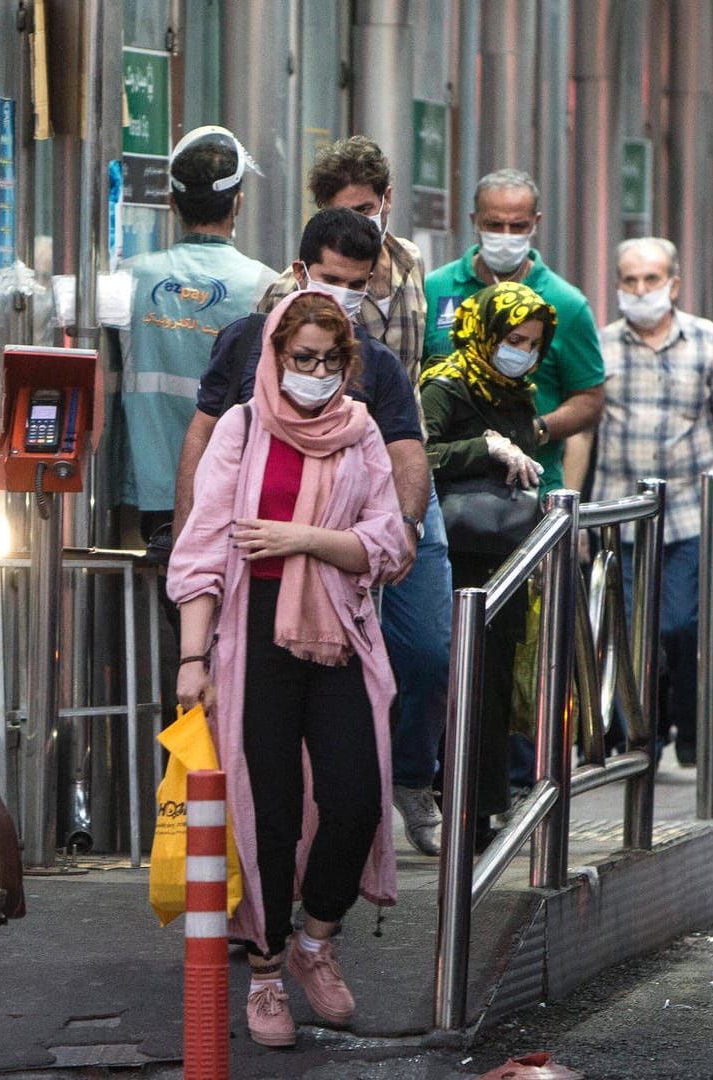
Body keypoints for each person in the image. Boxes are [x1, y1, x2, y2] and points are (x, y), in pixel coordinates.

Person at [169, 290, 410, 1049]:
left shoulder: (360, 430)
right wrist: (191, 658)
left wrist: (300, 537)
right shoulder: (241, 428)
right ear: (273, 356)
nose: (315, 374)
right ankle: (268, 972)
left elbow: (389, 543)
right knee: (266, 818)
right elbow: (204, 549)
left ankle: (315, 940)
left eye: (330, 361)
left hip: (338, 637)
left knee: (356, 800)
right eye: (301, 359)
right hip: (252, 645)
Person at [176, 205, 452, 857]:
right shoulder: (244, 343)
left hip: (337, 598)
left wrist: (406, 527)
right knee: (258, 779)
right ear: (300, 272)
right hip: (249, 594)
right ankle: (262, 925)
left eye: (358, 285)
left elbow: (407, 449)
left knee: (364, 754)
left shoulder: (376, 368)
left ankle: (317, 908)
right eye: (332, 279)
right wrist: (192, 538)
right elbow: (206, 432)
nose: (345, 296)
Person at [593, 237, 713, 766]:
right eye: (630, 281)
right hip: (622, 515)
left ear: (674, 284)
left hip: (689, 512)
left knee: (680, 625)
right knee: (631, 632)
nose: (640, 291)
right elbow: (583, 434)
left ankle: (687, 721)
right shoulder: (601, 346)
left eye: (651, 280)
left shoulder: (707, 341)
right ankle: (642, 735)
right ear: (618, 286)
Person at [421, 283, 556, 851]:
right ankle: (448, 803)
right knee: (456, 685)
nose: (521, 351)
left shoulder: (518, 394)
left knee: (494, 686)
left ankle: (481, 812)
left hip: (505, 557)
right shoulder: (443, 385)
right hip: (450, 559)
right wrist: (485, 447)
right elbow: (413, 456)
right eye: (512, 338)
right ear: (485, 332)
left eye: (531, 343)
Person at [119, 125, 277, 546]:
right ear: (238, 203)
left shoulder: (130, 277)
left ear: (172, 203)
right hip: (231, 484)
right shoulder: (267, 287)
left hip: (146, 487)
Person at [424, 169, 605, 495]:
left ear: (535, 222)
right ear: (474, 220)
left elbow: (590, 399)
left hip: (532, 489)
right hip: (446, 489)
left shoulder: (566, 303)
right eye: (494, 225)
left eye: (518, 226)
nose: (506, 236)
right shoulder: (436, 288)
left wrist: (533, 431)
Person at [256, 135, 429, 380]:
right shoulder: (292, 289)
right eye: (343, 213)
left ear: (386, 199)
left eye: (364, 210)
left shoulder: (409, 261)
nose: (356, 223)